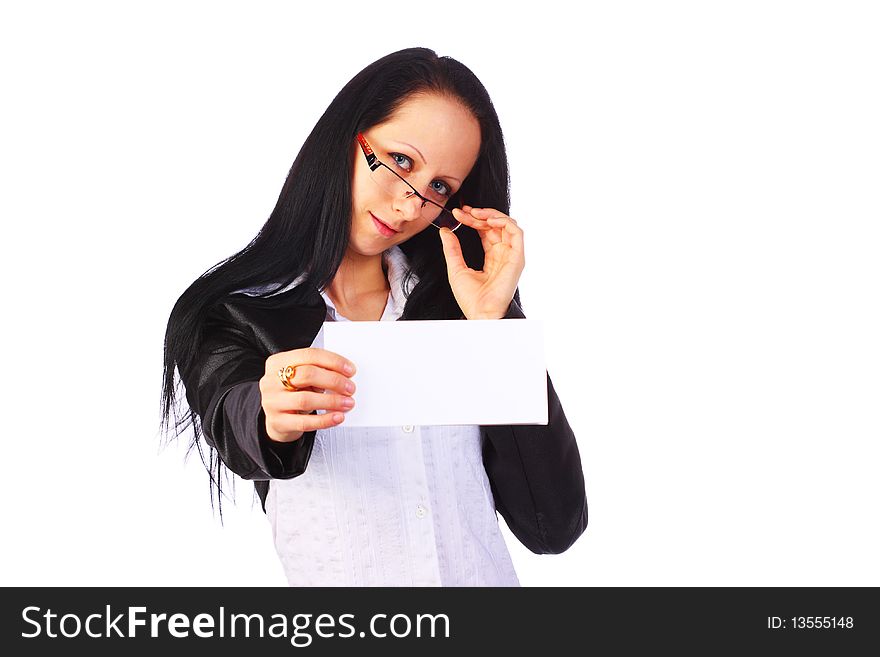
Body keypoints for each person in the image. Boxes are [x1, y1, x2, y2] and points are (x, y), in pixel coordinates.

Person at [160, 47, 587, 586]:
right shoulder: (235, 311)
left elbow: (554, 525)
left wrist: (495, 331)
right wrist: (273, 409)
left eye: (439, 188)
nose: (410, 206)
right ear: (345, 139)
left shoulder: (459, 310)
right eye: (402, 161)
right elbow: (237, 418)